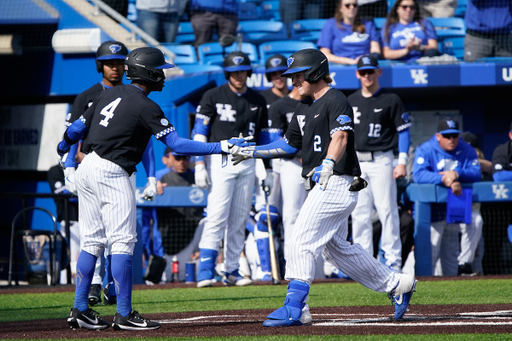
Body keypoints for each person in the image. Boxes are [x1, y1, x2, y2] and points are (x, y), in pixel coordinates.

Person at [57, 46, 249, 330]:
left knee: (92, 241)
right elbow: (177, 145)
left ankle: (80, 309)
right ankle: (123, 314)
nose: (163, 75)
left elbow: (74, 131)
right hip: (112, 170)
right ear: (147, 72)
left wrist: (63, 148)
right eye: (159, 70)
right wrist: (220, 146)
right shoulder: (146, 105)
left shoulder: (105, 94)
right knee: (121, 242)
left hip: (88, 169)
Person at [230, 48, 417, 326]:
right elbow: (288, 145)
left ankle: (295, 307)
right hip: (322, 183)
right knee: (337, 249)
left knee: (300, 240)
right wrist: (252, 152)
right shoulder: (303, 105)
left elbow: (340, 136)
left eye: (298, 75)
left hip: (337, 181)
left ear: (315, 72)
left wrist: (329, 162)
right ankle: (397, 285)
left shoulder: (336, 98)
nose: (293, 81)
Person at [192, 51, 271, 288]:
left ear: (248, 72)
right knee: (216, 215)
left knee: (239, 218)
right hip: (220, 160)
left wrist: (267, 169)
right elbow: (199, 132)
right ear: (227, 73)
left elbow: (264, 139)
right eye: (234, 71)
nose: (239, 75)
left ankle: (232, 270)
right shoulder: (212, 95)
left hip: (248, 160)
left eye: (243, 70)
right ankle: (206, 269)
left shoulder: (258, 100)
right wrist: (198, 163)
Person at [62, 40, 129, 306]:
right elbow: (71, 134)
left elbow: (145, 140)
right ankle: (94, 285)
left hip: (122, 165)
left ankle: (114, 288)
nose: (114, 68)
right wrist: (68, 166)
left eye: (119, 63)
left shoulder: (132, 94)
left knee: (119, 233)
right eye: (109, 63)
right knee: (94, 233)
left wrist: (151, 176)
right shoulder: (86, 95)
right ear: (100, 65)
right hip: (92, 165)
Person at [348, 54, 411, 271]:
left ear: (378, 72)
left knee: (387, 210)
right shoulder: (350, 100)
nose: (367, 75)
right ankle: (362, 263)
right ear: (357, 74)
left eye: (370, 71)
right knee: (360, 213)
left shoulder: (391, 99)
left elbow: (404, 132)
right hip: (357, 161)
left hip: (383, 158)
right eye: (363, 72)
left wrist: (401, 161)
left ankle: (392, 262)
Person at [412, 118, 483, 276]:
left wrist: (457, 174)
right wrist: (444, 179)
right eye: (447, 136)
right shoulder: (426, 149)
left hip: (457, 211)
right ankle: (422, 297)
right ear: (438, 136)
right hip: (433, 215)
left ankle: (464, 263)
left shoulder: (466, 149)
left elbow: (477, 173)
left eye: (454, 135)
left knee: (450, 268)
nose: (451, 139)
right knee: (428, 262)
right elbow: (418, 175)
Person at [317, 0, 381, 65]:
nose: (352, 7)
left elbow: (376, 51)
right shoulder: (330, 24)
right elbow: (325, 54)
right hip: (339, 66)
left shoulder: (368, 24)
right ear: (340, 7)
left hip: (365, 66)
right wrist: (349, 61)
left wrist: (365, 59)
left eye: (355, 5)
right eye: (347, 5)